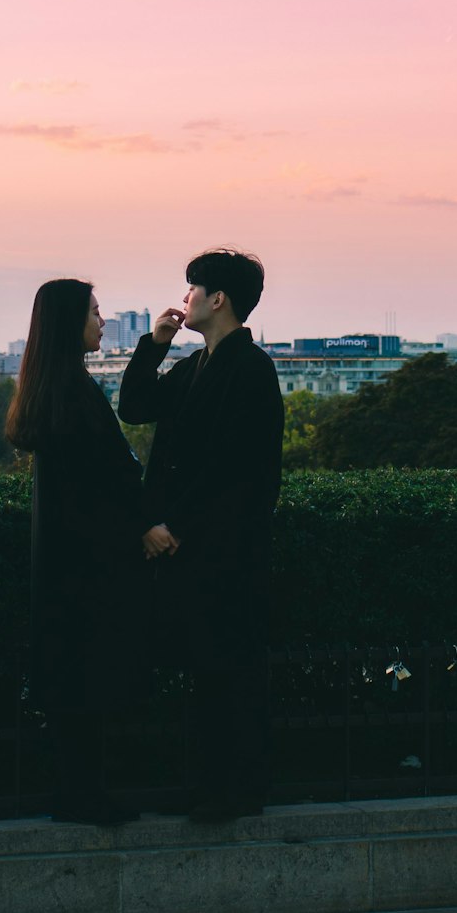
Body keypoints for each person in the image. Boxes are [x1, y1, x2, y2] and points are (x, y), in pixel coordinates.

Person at [118, 249, 284, 822]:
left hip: (224, 550)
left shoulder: (250, 369)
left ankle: (235, 790)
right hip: (202, 547)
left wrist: (173, 526)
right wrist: (156, 344)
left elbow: (236, 469)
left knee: (227, 670)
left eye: (192, 290)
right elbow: (135, 406)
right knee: (209, 669)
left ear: (217, 300)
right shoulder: (200, 365)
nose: (183, 298)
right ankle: (215, 786)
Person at [6, 279, 144, 825]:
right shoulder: (75, 390)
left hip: (67, 555)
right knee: (89, 678)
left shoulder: (53, 387)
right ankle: (86, 795)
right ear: (72, 323)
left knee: (73, 680)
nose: (102, 320)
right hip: (90, 559)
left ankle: (78, 791)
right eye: (94, 311)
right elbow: (111, 472)